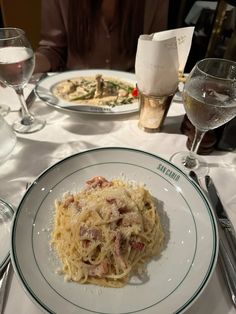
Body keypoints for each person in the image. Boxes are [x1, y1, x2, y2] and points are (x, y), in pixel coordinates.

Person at [34, 0, 169, 73]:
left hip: (132, 96)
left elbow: (156, 54)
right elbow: (53, 50)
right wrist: (26, 65)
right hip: (74, 95)